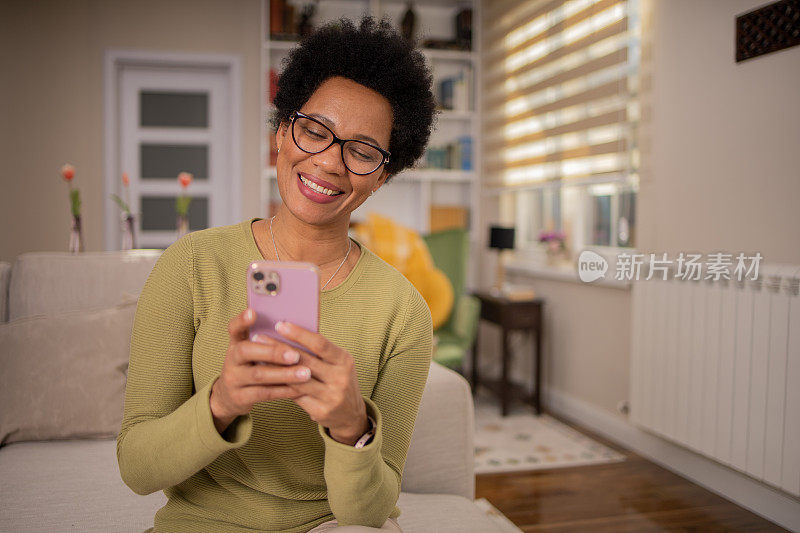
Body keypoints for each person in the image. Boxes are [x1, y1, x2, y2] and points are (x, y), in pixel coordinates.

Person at [116, 15, 437, 533]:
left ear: (382, 174)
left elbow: (371, 512)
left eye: (361, 150)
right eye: (315, 131)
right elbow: (137, 467)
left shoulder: (402, 311)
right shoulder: (191, 266)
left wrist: (353, 428)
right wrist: (222, 402)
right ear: (283, 131)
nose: (330, 162)